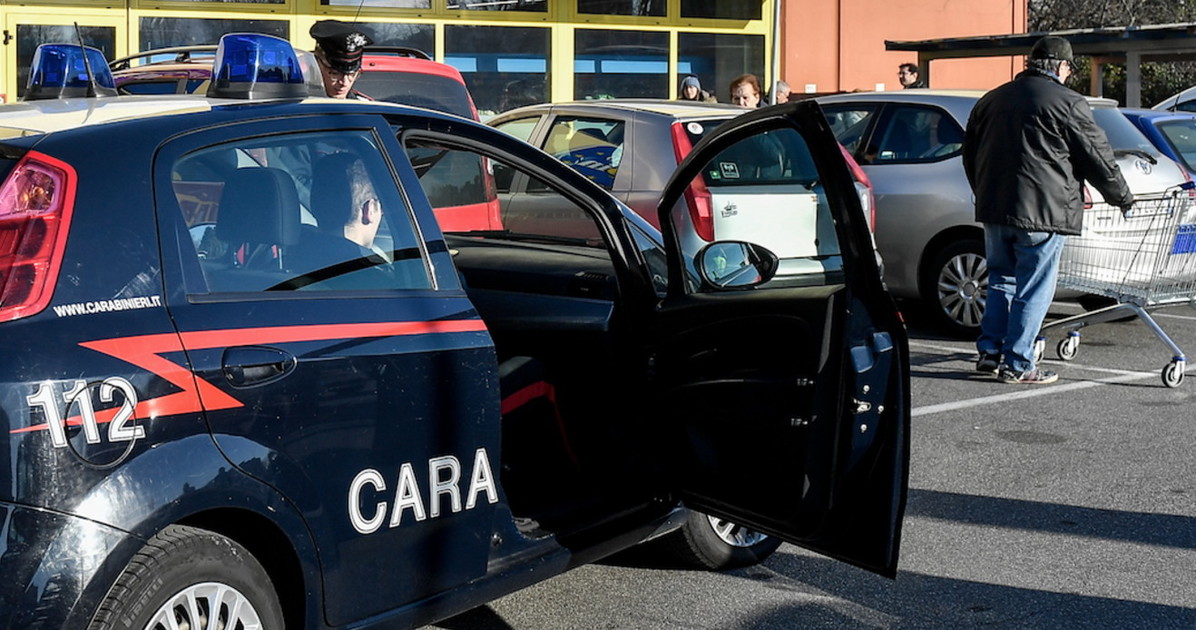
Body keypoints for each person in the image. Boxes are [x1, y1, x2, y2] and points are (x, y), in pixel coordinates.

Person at [962, 35, 1133, 385]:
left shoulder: (991, 100)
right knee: (1034, 287)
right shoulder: (1068, 103)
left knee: (1000, 280)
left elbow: (971, 154)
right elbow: (1097, 156)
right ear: (1061, 67)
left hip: (996, 209)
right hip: (1044, 211)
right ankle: (1018, 363)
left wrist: (983, 192)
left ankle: (990, 352)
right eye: (1070, 67)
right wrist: (1122, 197)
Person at [310, 20, 375, 100]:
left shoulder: (362, 107)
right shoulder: (297, 104)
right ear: (317, 66)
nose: (344, 83)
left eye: (352, 75)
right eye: (335, 74)